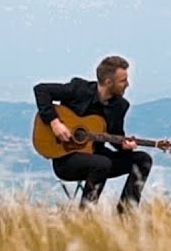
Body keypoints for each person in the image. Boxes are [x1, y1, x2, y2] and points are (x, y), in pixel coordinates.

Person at [33, 55, 152, 213]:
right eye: (123, 81)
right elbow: (41, 90)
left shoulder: (120, 106)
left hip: (98, 156)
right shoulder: (79, 90)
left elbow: (115, 138)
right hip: (67, 159)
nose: (128, 85)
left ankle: (126, 214)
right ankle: (85, 216)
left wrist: (125, 146)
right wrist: (55, 123)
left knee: (142, 160)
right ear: (109, 83)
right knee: (102, 163)